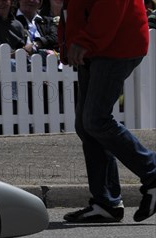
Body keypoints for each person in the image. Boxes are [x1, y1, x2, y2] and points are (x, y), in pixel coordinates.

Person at [59, 0, 156, 223]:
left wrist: (84, 41)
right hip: (99, 44)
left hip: (114, 44)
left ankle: (152, 171)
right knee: (87, 125)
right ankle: (106, 203)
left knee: (96, 120)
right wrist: (71, 42)